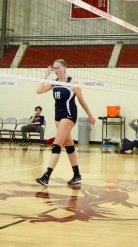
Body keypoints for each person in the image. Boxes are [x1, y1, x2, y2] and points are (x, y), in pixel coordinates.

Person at [35, 59, 96, 188]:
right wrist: (46, 75)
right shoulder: (53, 82)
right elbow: (38, 91)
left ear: (64, 68)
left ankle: (46, 176)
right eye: (54, 68)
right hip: (58, 117)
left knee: (56, 145)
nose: (56, 70)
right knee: (69, 146)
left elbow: (81, 100)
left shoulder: (72, 82)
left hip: (69, 116)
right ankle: (77, 175)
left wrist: (90, 115)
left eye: (58, 68)